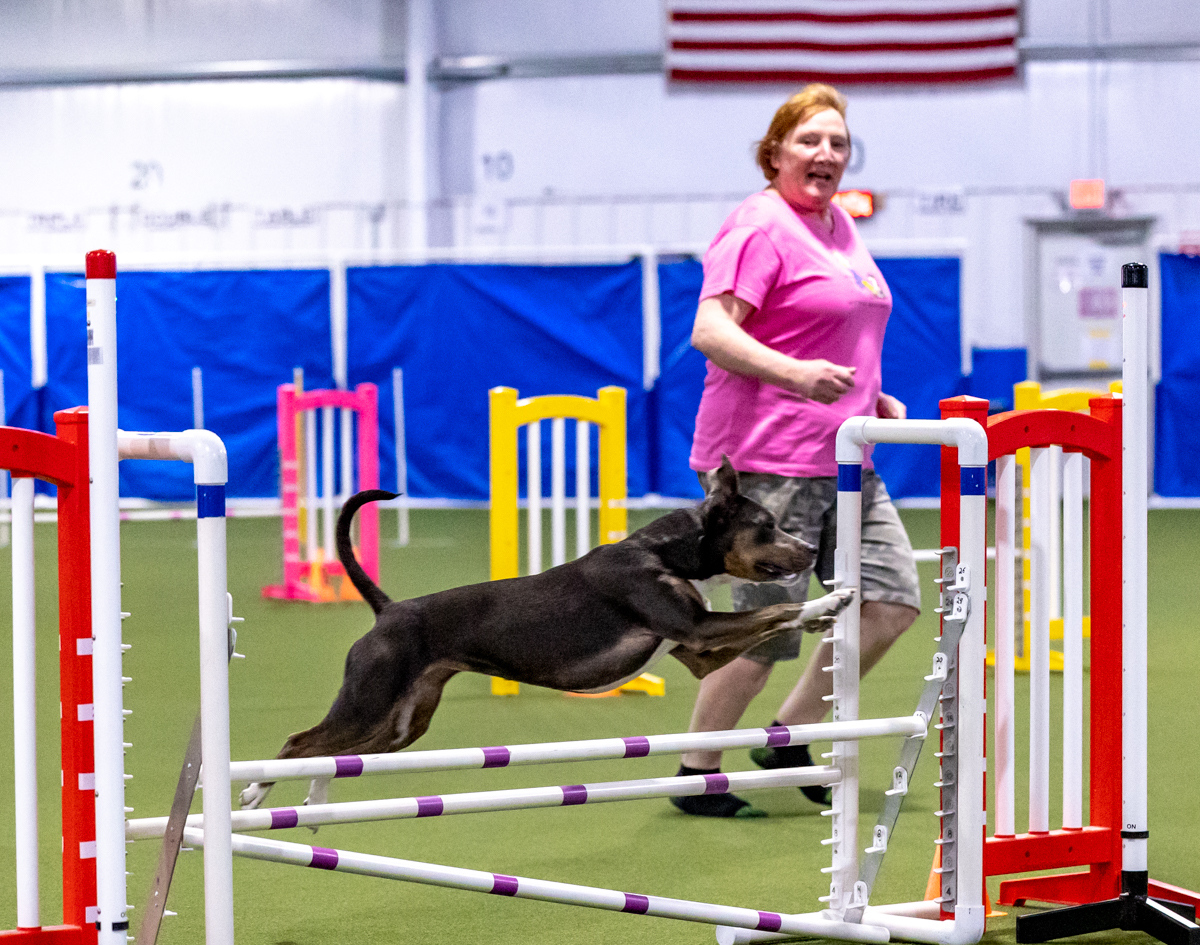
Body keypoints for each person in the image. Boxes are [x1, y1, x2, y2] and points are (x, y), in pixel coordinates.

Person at [671, 84, 921, 818]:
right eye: (810, 140)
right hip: (768, 459)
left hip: (846, 452)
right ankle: (696, 769)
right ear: (775, 151)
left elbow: (832, 329)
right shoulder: (759, 226)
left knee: (891, 600)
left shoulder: (839, 225)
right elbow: (711, 330)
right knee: (766, 628)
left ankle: (790, 735)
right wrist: (796, 375)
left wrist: (871, 394)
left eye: (838, 143)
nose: (826, 154)